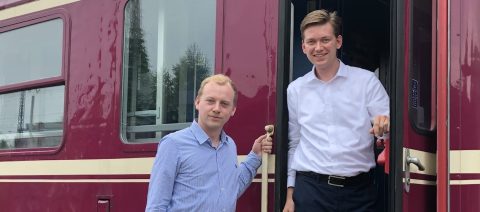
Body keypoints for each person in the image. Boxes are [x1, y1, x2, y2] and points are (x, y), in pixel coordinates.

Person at [283, 10, 390, 212]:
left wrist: (384, 126)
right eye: (312, 42)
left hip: (359, 193)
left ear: (338, 42)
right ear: (303, 46)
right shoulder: (295, 89)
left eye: (325, 40)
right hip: (311, 192)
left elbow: (389, 129)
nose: (318, 47)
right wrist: (290, 194)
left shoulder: (366, 81)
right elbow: (294, 143)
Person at [145, 74, 273, 212]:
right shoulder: (173, 145)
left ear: (233, 110)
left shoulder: (230, 146)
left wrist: (255, 155)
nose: (217, 109)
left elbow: (231, 190)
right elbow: (156, 207)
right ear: (197, 102)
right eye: (210, 101)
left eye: (224, 104)